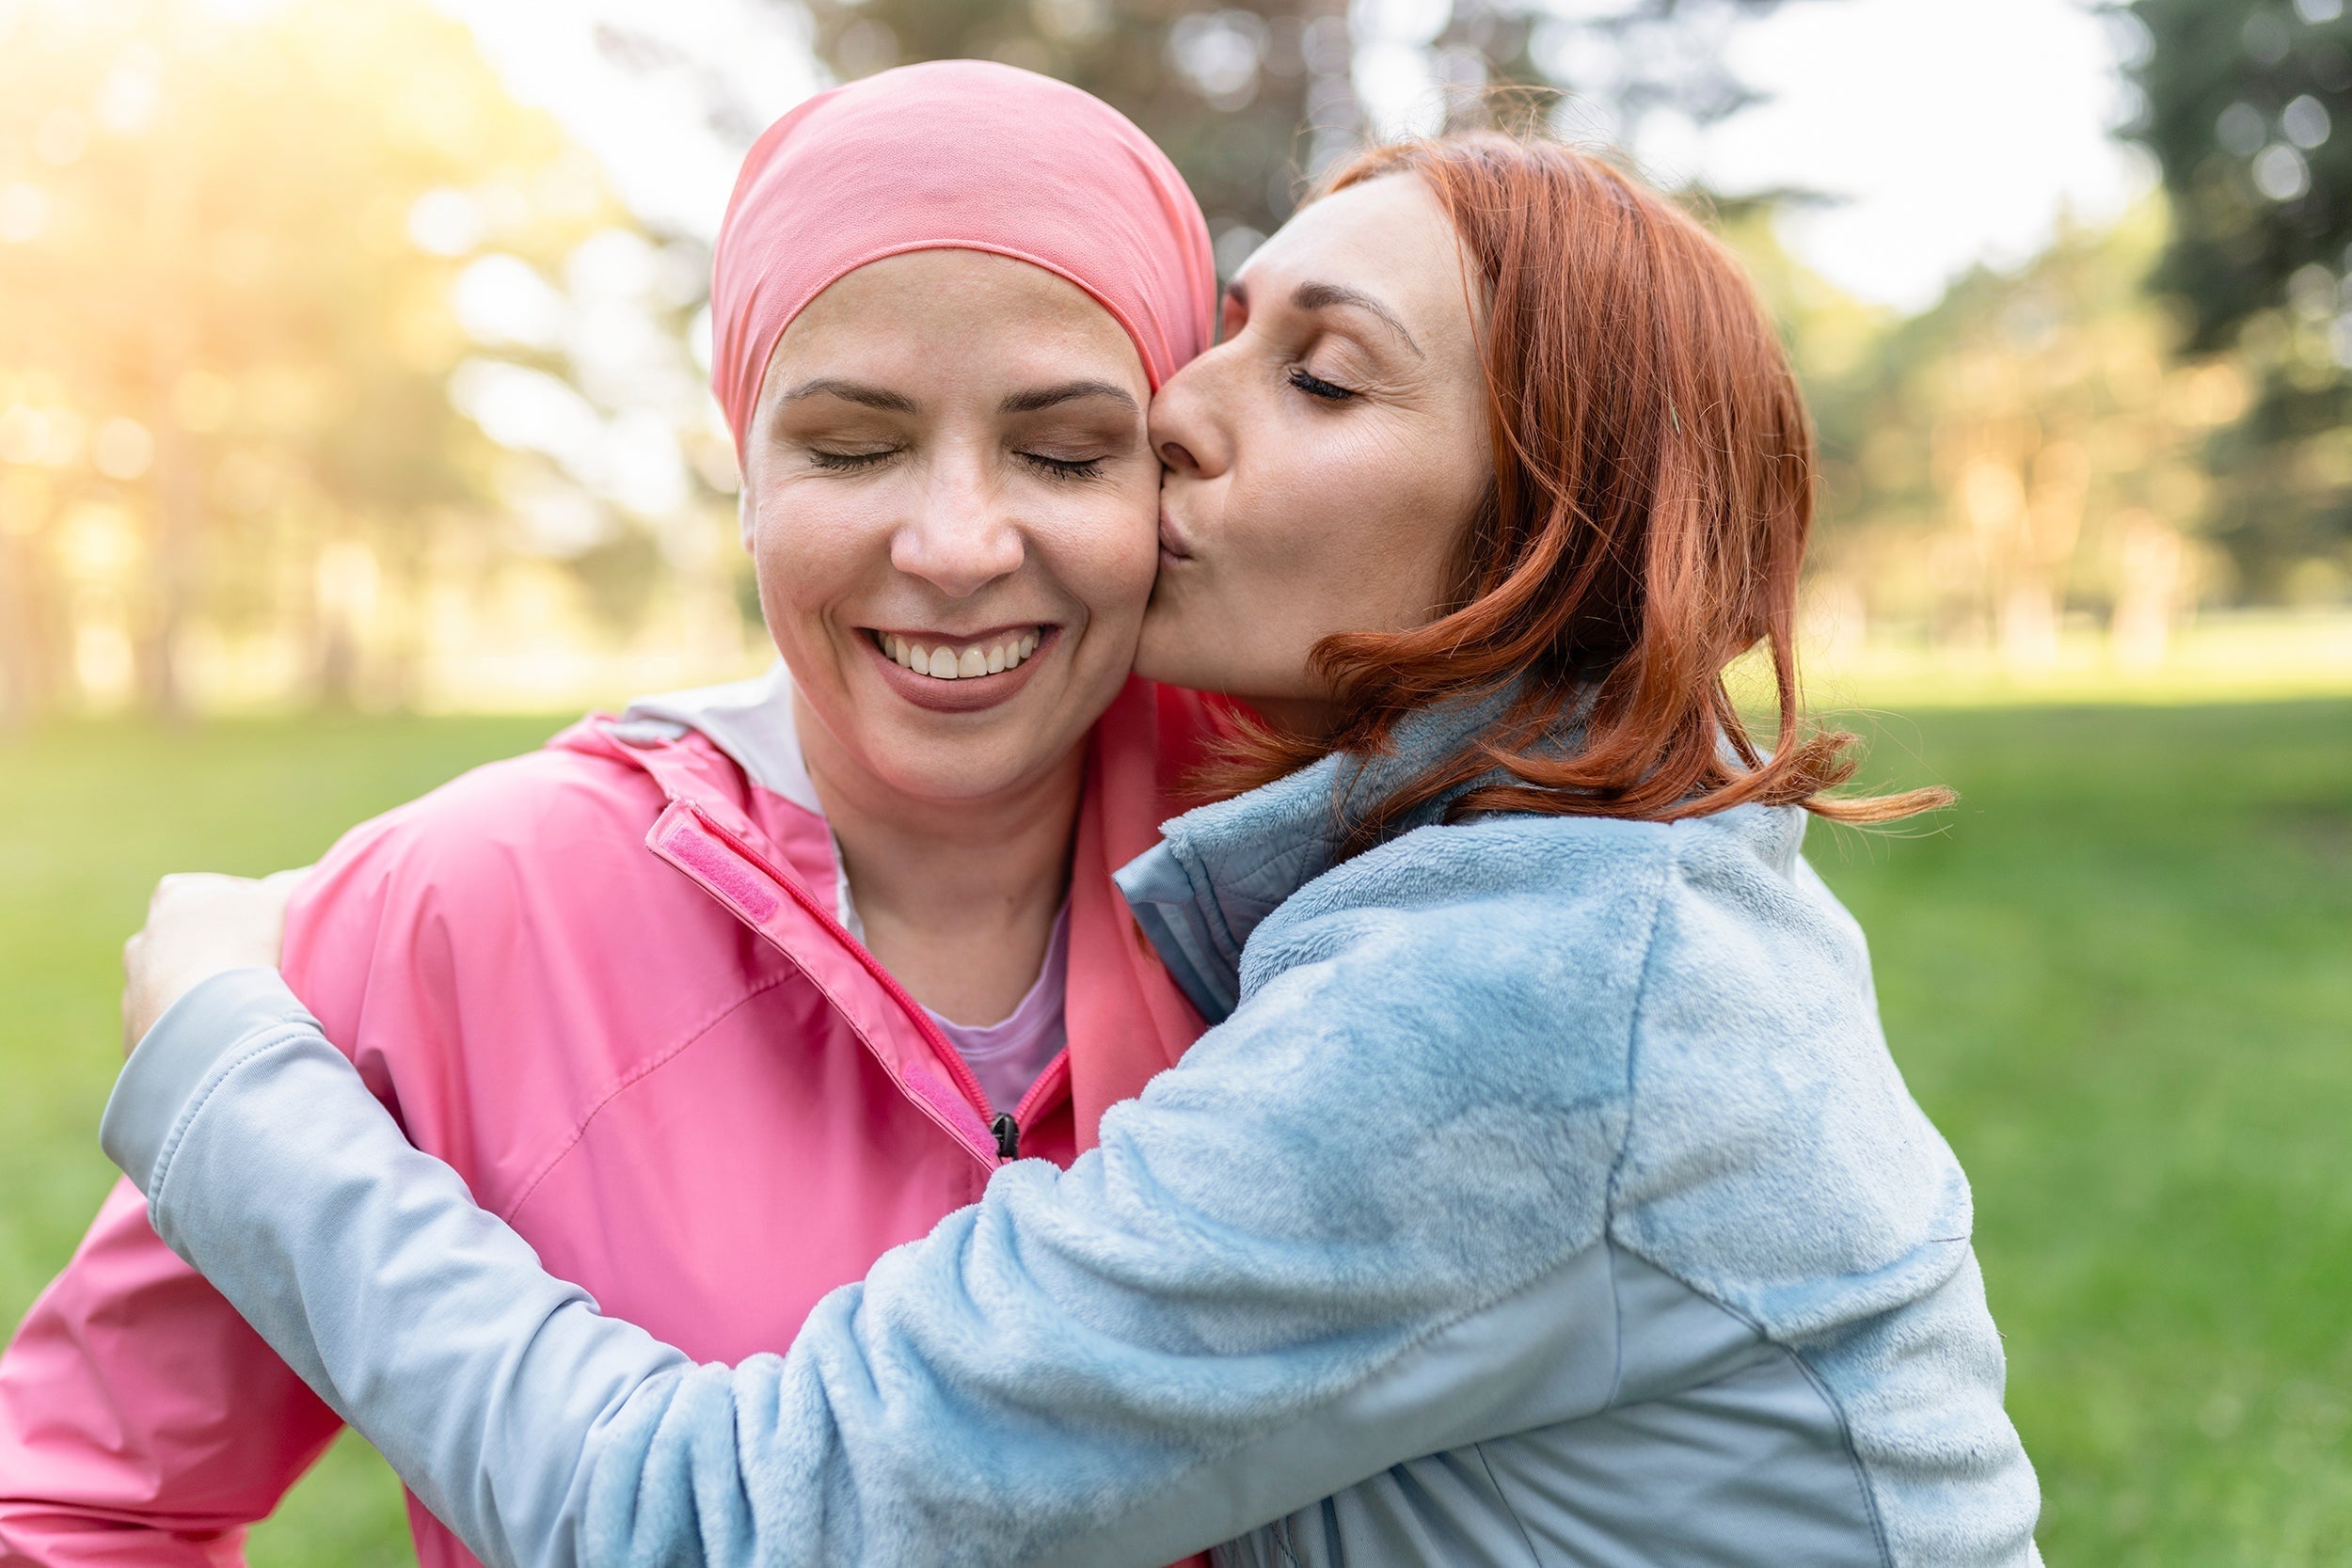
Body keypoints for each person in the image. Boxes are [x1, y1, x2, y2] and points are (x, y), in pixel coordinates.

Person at [92, 124, 2044, 1565]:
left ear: (1542, 530)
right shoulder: (1559, 859)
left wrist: (230, 1085)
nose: (1176, 417)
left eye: (1317, 374)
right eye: (1228, 328)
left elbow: (723, 1529)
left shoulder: (1523, 993)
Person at [0, 61, 1223, 1568]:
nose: (957, 543)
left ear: (1174, 476)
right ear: (745, 471)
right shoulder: (457, 905)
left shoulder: (1343, 881)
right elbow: (69, 1505)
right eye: (851, 447)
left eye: (1062, 452)